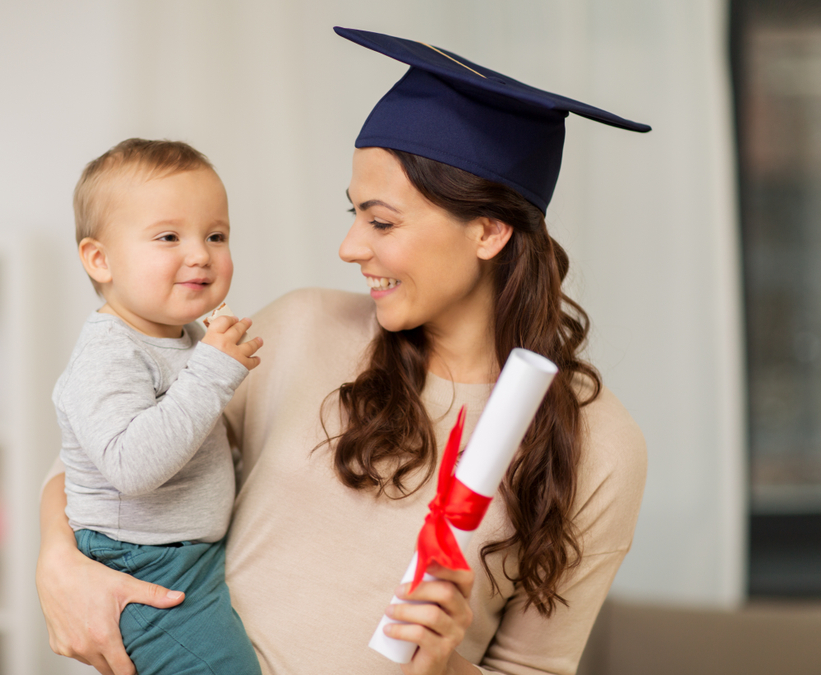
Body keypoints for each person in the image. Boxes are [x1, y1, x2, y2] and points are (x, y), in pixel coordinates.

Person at [37, 28, 649, 675]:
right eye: (354, 212)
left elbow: (536, 667)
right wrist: (56, 559)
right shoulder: (301, 330)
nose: (350, 246)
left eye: (381, 221)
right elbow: (104, 457)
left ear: (489, 230)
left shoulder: (599, 445)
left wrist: (447, 666)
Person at [52, 138, 263, 675]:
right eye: (169, 236)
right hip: (142, 562)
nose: (201, 254)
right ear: (100, 260)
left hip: (184, 552)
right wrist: (214, 372)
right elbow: (132, 466)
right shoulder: (108, 352)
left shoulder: (185, 336)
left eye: (216, 235)